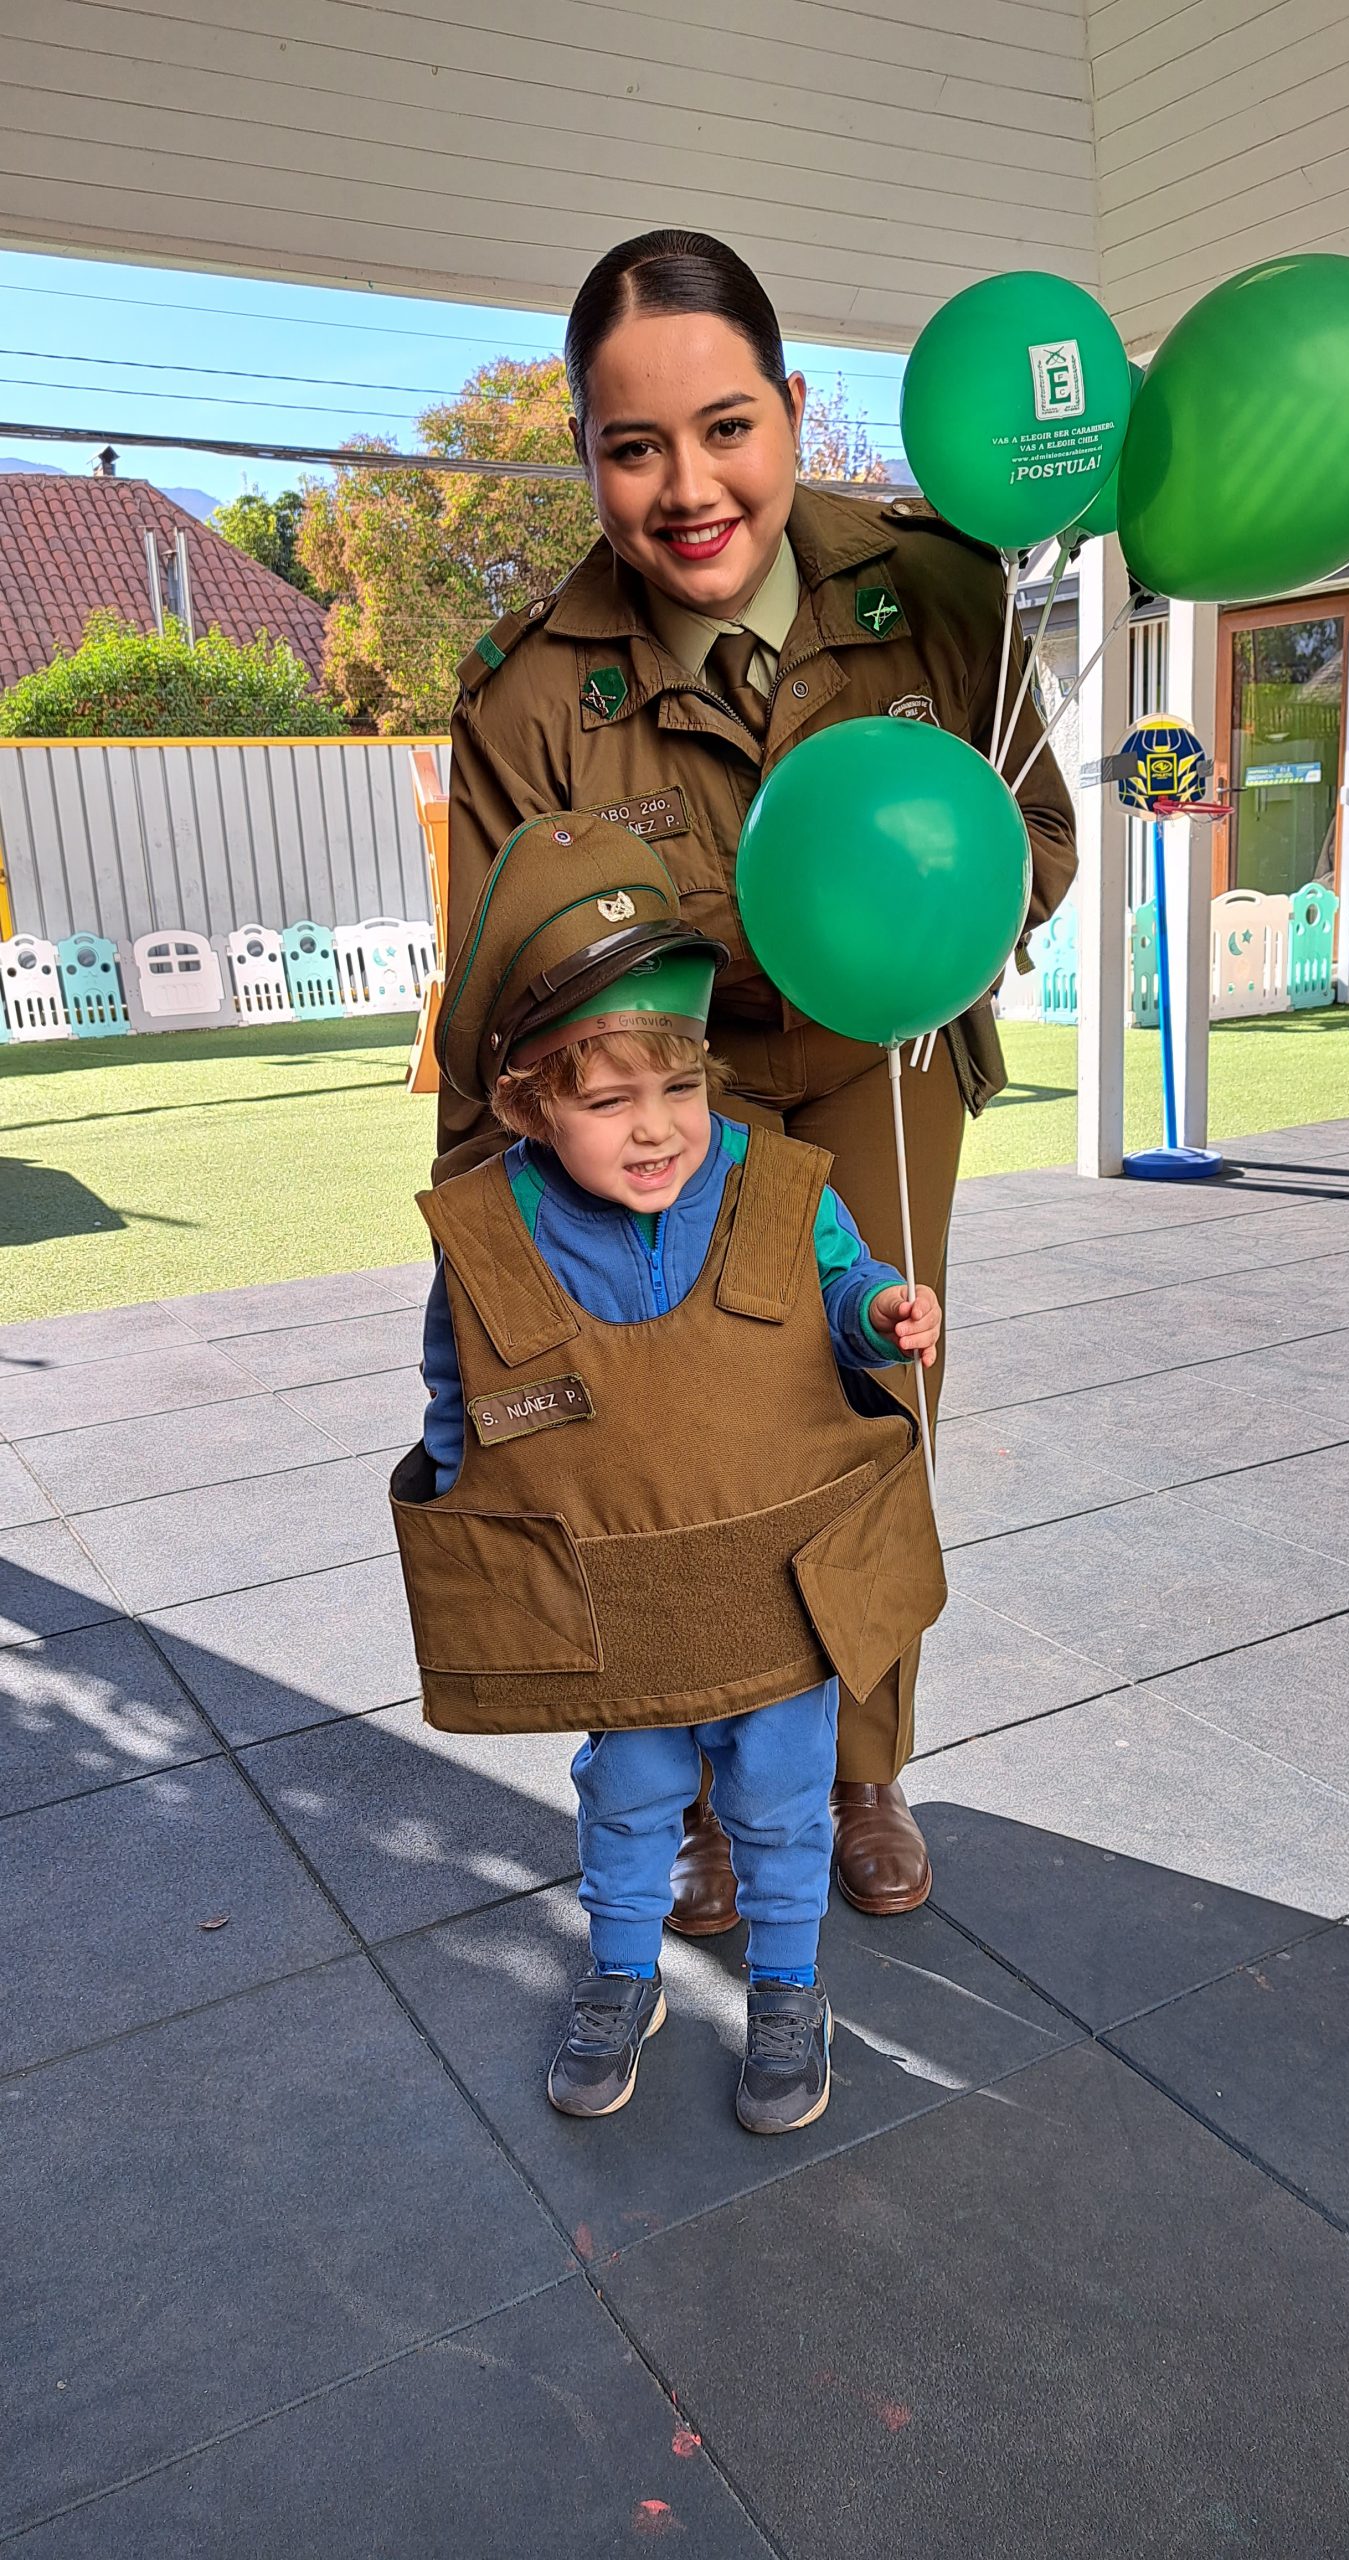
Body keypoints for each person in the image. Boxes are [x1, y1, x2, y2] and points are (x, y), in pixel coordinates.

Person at [433, 226, 1077, 1931]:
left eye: (726, 427)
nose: (687, 486)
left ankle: (860, 1773)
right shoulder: (523, 697)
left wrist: (933, 906)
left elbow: (1043, 833)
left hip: (884, 1072)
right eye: (630, 445)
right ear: (583, 454)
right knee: (663, 1445)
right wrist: (478, 1260)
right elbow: (488, 997)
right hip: (649, 1116)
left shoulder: (940, 593)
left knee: (872, 1409)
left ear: (792, 408)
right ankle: (698, 1792)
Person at [393, 812, 945, 2133]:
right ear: (526, 1102)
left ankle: (786, 1985)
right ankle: (622, 1969)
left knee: (777, 1802)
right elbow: (457, 1389)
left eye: (679, 1089)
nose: (656, 1130)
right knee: (629, 1796)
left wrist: (880, 1312)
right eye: (606, 1100)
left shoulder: (775, 1182)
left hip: (779, 1591)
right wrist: (492, 1531)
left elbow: (838, 1283)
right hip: (615, 1608)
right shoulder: (490, 1231)